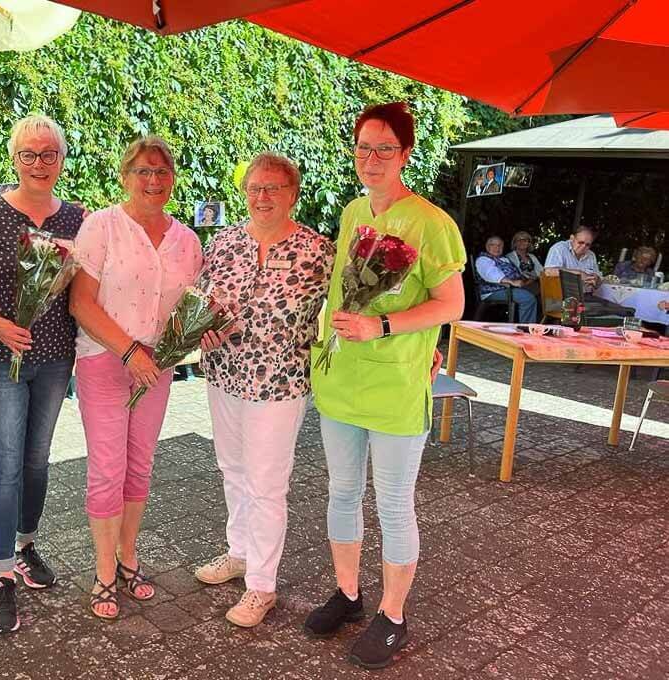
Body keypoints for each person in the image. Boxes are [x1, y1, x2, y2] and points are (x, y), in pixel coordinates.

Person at [304, 102, 465, 670]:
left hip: (395, 385)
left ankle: (393, 616)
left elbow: (451, 303)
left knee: (393, 503)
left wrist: (385, 326)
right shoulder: (353, 212)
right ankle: (348, 593)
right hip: (342, 381)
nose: (371, 159)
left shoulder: (432, 223)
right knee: (342, 492)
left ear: (405, 154)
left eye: (385, 149)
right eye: (363, 148)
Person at [193, 153, 332, 627]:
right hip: (224, 374)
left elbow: (352, 306)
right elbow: (201, 302)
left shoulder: (317, 251)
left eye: (273, 187)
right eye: (254, 188)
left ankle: (262, 585)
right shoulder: (224, 242)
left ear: (293, 194)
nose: (263, 196)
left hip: (279, 382)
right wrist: (200, 331)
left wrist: (424, 347)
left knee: (266, 484)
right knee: (232, 469)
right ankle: (239, 553)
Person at [69, 136, 203, 619]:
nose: (153, 180)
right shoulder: (101, 226)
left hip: (157, 368)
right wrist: (128, 351)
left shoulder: (188, 241)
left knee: (139, 466)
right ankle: (104, 570)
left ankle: (129, 557)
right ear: (125, 176)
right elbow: (81, 303)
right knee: (108, 468)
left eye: (162, 172)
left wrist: (194, 337)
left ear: (173, 179)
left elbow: (190, 310)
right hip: (105, 359)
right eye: (143, 171)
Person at [0, 115, 83, 634]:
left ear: (62, 159)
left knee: (37, 460)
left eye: (49, 154)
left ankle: (26, 545)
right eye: (28, 154)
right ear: (14, 159)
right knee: (4, 463)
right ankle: (1, 576)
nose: (39, 163)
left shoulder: (77, 218)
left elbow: (82, 288)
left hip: (56, 356)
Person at [544, 226, 634, 317]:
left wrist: (596, 280)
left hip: (585, 298)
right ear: (572, 238)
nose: (583, 247)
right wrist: (578, 273)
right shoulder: (559, 248)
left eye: (587, 245)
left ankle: (625, 313)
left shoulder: (591, 255)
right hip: (558, 301)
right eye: (581, 242)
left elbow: (598, 284)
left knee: (623, 310)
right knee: (601, 309)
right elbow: (549, 271)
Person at [477, 236, 538, 323]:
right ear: (487, 247)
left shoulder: (504, 259)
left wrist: (526, 279)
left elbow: (516, 272)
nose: (497, 248)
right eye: (493, 245)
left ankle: (541, 322)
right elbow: (491, 273)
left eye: (499, 245)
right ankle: (526, 327)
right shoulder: (483, 259)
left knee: (539, 291)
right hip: (495, 290)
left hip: (512, 287)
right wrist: (511, 282)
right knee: (527, 298)